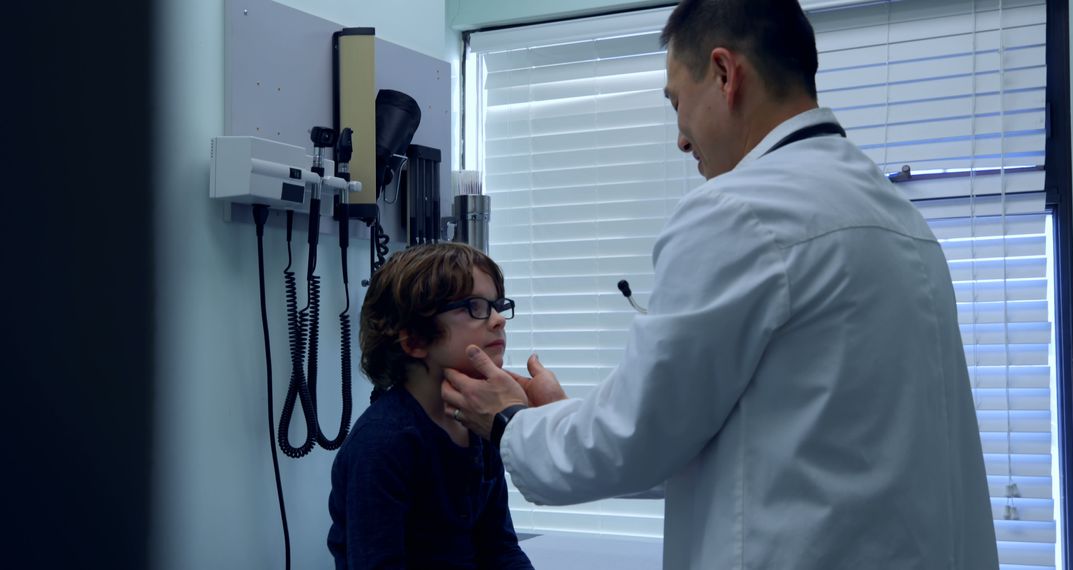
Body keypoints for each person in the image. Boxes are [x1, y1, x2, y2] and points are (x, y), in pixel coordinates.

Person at [440, 0, 999, 568]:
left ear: (726, 75)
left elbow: (633, 439)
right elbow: (720, 439)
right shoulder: (896, 217)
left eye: (677, 101)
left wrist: (511, 423)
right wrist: (557, 417)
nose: (682, 140)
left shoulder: (739, 212)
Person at [326, 243, 533, 569]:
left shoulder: (481, 423)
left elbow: (500, 549)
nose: (497, 320)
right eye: (474, 306)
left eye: (496, 305)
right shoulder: (383, 443)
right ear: (415, 340)